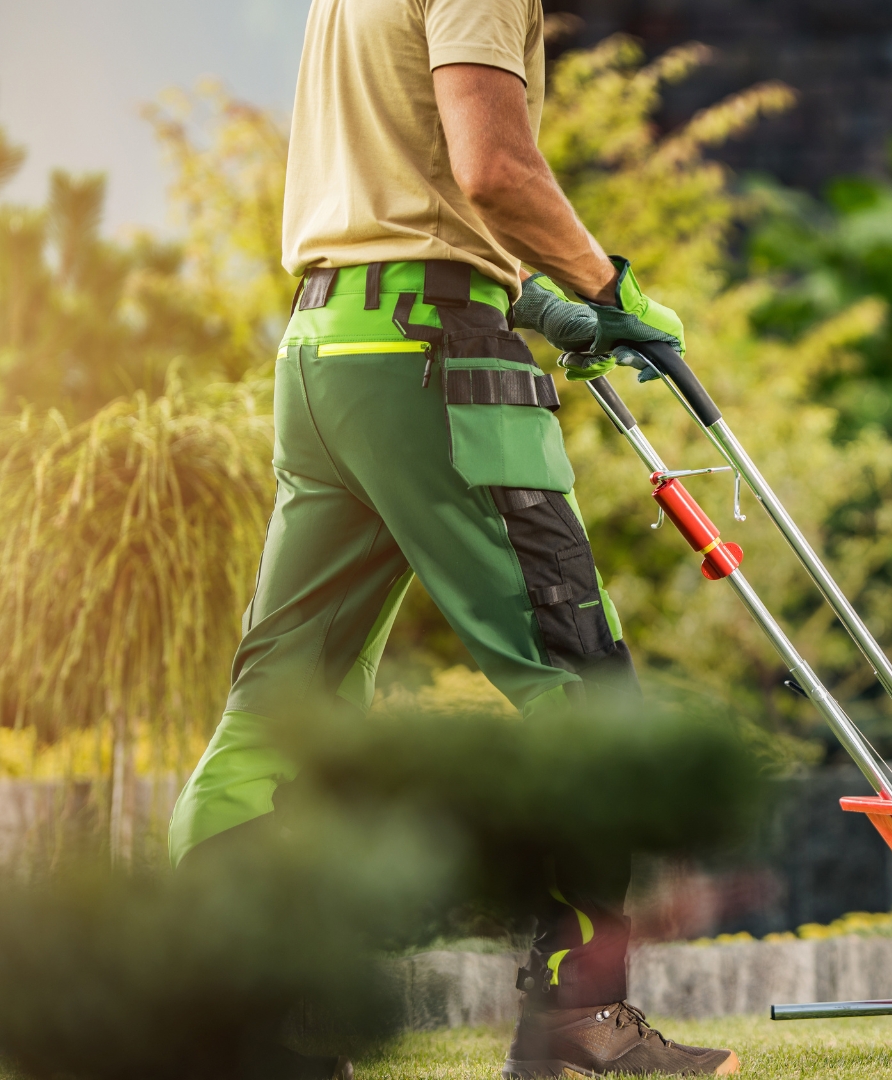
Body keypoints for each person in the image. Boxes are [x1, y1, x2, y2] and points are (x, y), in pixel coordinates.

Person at [165, 0, 736, 1075]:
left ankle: (222, 1017)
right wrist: (604, 285)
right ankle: (580, 1020)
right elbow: (490, 166)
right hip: (435, 357)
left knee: (280, 708)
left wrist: (532, 299)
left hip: (327, 349)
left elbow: (406, 175)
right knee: (584, 689)